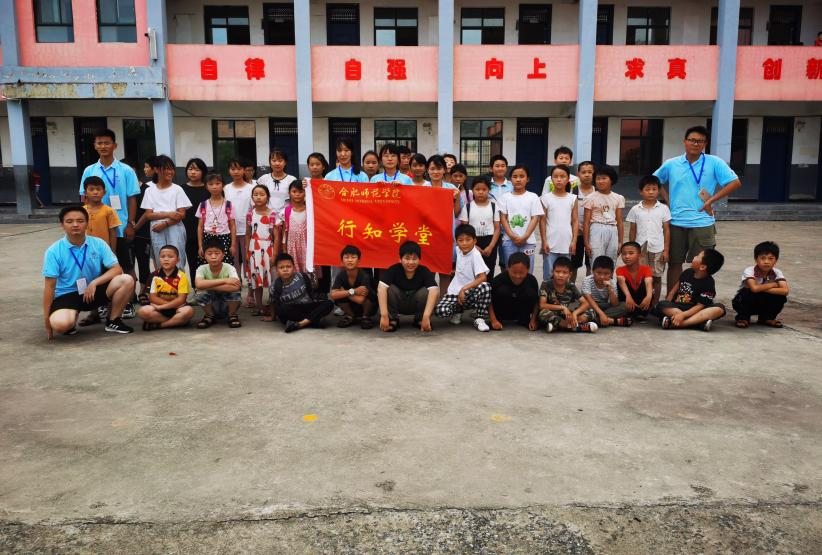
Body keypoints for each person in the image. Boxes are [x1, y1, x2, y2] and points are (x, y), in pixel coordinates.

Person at [653, 125, 742, 294]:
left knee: (702, 266)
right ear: (684, 141)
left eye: (700, 141)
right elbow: (654, 180)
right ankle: (672, 299)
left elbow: (735, 182)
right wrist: (667, 200)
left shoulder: (714, 162)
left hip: (703, 223)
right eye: (692, 140)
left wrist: (711, 200)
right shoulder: (672, 163)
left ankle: (695, 299)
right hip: (676, 222)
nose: (695, 144)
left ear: (705, 144)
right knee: (674, 264)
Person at [42, 205, 136, 337]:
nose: (75, 225)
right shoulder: (53, 251)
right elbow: (49, 287)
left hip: (92, 291)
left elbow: (116, 269)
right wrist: (47, 319)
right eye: (69, 221)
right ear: (62, 225)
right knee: (61, 325)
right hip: (67, 295)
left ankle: (113, 320)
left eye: (80, 221)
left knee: (126, 279)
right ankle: (70, 319)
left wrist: (94, 283)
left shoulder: (98, 243)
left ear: (87, 223)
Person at [78, 128, 140, 319]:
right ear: (95, 146)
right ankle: (98, 307)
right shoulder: (89, 170)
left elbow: (131, 198)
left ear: (115, 145)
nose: (103, 146)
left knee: (125, 266)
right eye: (99, 143)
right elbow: (83, 199)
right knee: (94, 269)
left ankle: (128, 303)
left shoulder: (126, 170)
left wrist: (130, 223)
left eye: (107, 142)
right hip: (95, 232)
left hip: (119, 229)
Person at [434, 224, 492, 332]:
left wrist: (464, 288)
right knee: (440, 311)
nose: (464, 243)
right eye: (461, 240)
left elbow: (483, 277)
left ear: (475, 241)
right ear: (457, 242)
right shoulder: (458, 250)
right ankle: (458, 311)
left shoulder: (475, 255)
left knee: (486, 287)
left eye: (468, 240)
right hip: (455, 292)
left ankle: (479, 318)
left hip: (470, 292)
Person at [653, 248, 726, 331]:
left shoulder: (708, 283)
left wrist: (683, 315)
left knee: (720, 309)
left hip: (697, 310)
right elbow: (674, 290)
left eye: (698, 256)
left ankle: (680, 323)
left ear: (702, 267)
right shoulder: (687, 272)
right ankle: (698, 323)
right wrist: (668, 302)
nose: (694, 256)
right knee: (660, 305)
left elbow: (700, 306)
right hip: (678, 307)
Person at [141, 155, 192, 269]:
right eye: (167, 169)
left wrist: (165, 223)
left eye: (172, 169)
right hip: (156, 229)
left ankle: (179, 281)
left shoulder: (177, 189)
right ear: (156, 169)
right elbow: (148, 215)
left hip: (174, 228)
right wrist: (169, 214)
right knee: (161, 261)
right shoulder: (149, 190)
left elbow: (181, 214)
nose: (170, 172)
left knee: (177, 260)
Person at [626, 175, 671, 306]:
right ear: (641, 191)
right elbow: (632, 230)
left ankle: (654, 305)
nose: (651, 192)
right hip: (640, 248)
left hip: (658, 248)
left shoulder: (664, 209)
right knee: (641, 277)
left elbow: (667, 230)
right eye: (647, 189)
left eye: (654, 189)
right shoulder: (635, 209)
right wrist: (632, 250)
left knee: (656, 277)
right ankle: (642, 304)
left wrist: (666, 251)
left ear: (659, 191)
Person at [377, 241, 439, 332]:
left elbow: (434, 290)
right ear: (400, 259)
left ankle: (420, 319)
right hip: (399, 304)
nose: (411, 262)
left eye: (414, 259)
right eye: (407, 258)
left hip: (415, 305)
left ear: (419, 259)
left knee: (427, 291)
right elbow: (381, 287)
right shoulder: (394, 269)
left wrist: (426, 317)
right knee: (389, 289)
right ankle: (392, 319)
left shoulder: (424, 271)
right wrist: (384, 315)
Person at [269, 253, 334, 333]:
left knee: (329, 303)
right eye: (281, 267)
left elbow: (314, 288)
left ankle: (301, 323)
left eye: (288, 266)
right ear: (277, 270)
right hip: (291, 310)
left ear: (294, 268)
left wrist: (313, 273)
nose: (285, 270)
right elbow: (272, 302)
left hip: (307, 306)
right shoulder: (274, 286)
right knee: (281, 309)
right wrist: (272, 317)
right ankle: (315, 321)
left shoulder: (302, 277)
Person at [732, 241, 789, 328]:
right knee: (747, 292)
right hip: (745, 302)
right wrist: (774, 284)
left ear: (776, 260)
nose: (766, 262)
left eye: (771, 258)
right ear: (756, 259)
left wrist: (760, 288)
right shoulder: (750, 270)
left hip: (763, 302)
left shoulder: (777, 272)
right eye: (763, 258)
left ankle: (767, 318)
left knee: (781, 296)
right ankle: (743, 318)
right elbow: (754, 289)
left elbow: (785, 291)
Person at [137, 244, 195, 330]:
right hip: (161, 308)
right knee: (142, 311)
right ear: (159, 259)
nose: (166, 259)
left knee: (189, 311)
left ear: (177, 260)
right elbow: (153, 298)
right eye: (162, 256)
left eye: (170, 256)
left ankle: (160, 325)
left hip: (177, 308)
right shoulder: (154, 275)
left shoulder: (181, 276)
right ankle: (177, 321)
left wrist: (163, 306)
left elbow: (181, 299)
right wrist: (166, 306)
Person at [499, 164, 543, 271]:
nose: (518, 179)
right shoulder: (505, 197)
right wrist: (512, 236)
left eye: (522, 176)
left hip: (528, 241)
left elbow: (535, 218)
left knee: (527, 270)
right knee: (510, 270)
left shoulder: (533, 197)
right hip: (509, 241)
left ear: (527, 179)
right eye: (515, 177)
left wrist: (525, 237)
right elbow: (503, 218)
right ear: (510, 179)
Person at [246, 184, 281, 317]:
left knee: (272, 278)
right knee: (256, 277)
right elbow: (248, 234)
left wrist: (275, 254)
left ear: (268, 197)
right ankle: (259, 306)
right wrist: (247, 252)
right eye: (255, 195)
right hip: (253, 249)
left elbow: (276, 237)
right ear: (252, 197)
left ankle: (273, 307)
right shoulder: (250, 214)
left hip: (268, 248)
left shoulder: (273, 215)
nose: (258, 197)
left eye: (262, 194)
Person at [539, 164, 578, 281]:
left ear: (568, 179)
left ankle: (563, 292)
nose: (559, 179)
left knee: (564, 273)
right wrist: (544, 241)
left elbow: (575, 221)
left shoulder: (572, 198)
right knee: (549, 274)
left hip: (567, 242)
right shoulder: (545, 198)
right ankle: (547, 292)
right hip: (550, 242)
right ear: (551, 179)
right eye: (555, 176)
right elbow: (542, 221)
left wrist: (574, 241)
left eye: (562, 176)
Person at [538, 256, 597, 333]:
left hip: (568, 315)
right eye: (557, 272)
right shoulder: (546, 284)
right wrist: (563, 307)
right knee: (543, 313)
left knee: (591, 311)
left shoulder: (571, 286)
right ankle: (575, 327)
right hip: (554, 313)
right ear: (553, 272)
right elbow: (542, 305)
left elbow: (585, 303)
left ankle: (559, 326)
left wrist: (575, 313)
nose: (561, 275)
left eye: (564, 272)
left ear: (570, 274)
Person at [194, 237, 242, 329]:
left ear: (223, 254)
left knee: (235, 292)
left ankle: (232, 315)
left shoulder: (229, 268)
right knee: (200, 292)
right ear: (204, 255)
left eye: (217, 253)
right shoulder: (201, 268)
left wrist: (207, 286)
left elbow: (236, 287)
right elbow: (199, 285)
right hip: (211, 304)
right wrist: (225, 281)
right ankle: (209, 315)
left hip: (227, 304)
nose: (213, 256)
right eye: (209, 253)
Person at [459, 176, 500, 279]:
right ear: (472, 190)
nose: (480, 192)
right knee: (473, 272)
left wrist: (491, 246)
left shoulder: (494, 206)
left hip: (490, 241)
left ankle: (488, 288)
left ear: (489, 190)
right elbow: (464, 229)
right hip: (472, 242)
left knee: (489, 270)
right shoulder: (467, 207)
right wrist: (473, 246)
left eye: (484, 189)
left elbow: (497, 229)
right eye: (477, 189)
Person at [583, 165, 624, 267]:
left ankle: (609, 278)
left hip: (613, 229)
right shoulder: (590, 198)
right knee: (596, 260)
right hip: (596, 229)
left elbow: (620, 222)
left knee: (611, 260)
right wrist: (586, 243)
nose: (600, 181)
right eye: (598, 178)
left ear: (611, 180)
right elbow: (586, 222)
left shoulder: (618, 198)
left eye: (604, 178)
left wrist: (620, 242)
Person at [329, 245, 377, 329]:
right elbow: (333, 295)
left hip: (368, 307)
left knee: (368, 296)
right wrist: (353, 291)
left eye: (353, 257)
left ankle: (365, 317)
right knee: (339, 297)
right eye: (346, 257)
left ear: (359, 261)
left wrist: (344, 292)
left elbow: (361, 300)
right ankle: (350, 316)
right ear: (342, 261)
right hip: (351, 305)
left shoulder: (364, 276)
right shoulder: (341, 275)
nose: (350, 260)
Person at [488, 252, 539, 331]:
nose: (517, 276)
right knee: (502, 291)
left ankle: (524, 319)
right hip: (502, 312)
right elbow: (488, 300)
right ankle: (498, 319)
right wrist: (493, 320)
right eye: (514, 272)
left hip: (522, 313)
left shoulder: (532, 280)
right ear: (508, 268)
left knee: (530, 293)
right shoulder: (499, 279)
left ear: (528, 269)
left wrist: (533, 320)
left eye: (521, 273)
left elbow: (537, 302)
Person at [196, 172, 236, 266]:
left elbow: (232, 226)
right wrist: (200, 246)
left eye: (217, 183)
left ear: (223, 185)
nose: (214, 187)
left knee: (225, 265)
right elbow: (200, 227)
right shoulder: (203, 205)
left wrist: (233, 245)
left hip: (224, 238)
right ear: (206, 186)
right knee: (208, 265)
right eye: (211, 184)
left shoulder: (228, 205)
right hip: (207, 238)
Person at [581, 256, 631, 327]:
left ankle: (594, 319)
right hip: (590, 306)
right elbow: (589, 299)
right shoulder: (587, 280)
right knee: (584, 307)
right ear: (593, 271)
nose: (602, 277)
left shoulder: (612, 282)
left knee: (625, 306)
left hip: (604, 306)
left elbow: (615, 304)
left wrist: (610, 289)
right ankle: (612, 321)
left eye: (606, 273)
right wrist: (601, 314)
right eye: (598, 273)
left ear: (611, 273)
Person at [182, 158, 210, 276]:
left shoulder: (209, 189)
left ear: (203, 172)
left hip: (207, 231)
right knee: (192, 262)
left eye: (197, 170)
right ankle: (196, 285)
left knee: (208, 262)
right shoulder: (181, 189)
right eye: (190, 169)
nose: (193, 172)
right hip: (187, 231)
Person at [616, 242, 654, 321]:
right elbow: (621, 281)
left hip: (642, 301)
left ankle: (642, 313)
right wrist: (628, 296)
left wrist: (649, 296)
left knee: (648, 287)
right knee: (620, 282)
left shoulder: (646, 269)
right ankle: (628, 312)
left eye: (631, 253)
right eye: (624, 254)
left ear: (639, 255)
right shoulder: (620, 269)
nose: (627, 256)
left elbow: (648, 282)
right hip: (627, 300)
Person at [132, 164, 154, 305]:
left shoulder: (147, 189)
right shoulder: (121, 189)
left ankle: (143, 291)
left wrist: (135, 228)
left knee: (143, 263)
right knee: (127, 263)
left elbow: (148, 213)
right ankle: (130, 293)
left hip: (143, 232)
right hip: (124, 233)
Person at [571, 161, 596, 282]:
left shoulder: (597, 191)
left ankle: (588, 288)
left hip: (593, 234)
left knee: (591, 264)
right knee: (573, 265)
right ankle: (570, 288)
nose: (587, 175)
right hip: (577, 234)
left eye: (590, 172)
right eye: (584, 172)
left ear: (594, 173)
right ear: (578, 174)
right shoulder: (573, 191)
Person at [82, 176, 120, 249]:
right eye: (91, 189)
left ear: (104, 192)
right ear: (85, 193)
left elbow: (112, 232)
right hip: (85, 249)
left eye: (98, 189)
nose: (95, 192)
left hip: (103, 249)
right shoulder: (81, 211)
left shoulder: (109, 211)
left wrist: (112, 251)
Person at [257, 149, 297, 215]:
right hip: (267, 216)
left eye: (280, 161)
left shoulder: (292, 180)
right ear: (270, 162)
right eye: (274, 161)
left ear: (285, 162)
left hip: (286, 216)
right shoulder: (263, 179)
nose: (277, 163)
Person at [281, 181, 309, 273]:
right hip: (292, 247)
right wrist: (284, 250)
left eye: (301, 192)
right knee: (294, 273)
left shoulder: (310, 210)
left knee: (308, 273)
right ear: (289, 193)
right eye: (294, 191)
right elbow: (284, 233)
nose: (297, 194)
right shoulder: (286, 211)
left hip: (307, 248)